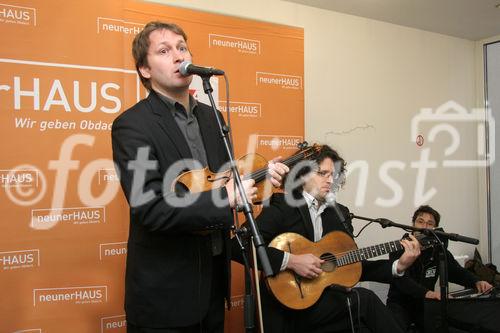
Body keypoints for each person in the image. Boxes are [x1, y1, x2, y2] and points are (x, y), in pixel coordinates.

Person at [112, 21, 288, 333]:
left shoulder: (213, 118)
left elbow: (221, 183)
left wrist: (260, 180)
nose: (178, 55)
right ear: (145, 70)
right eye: (164, 51)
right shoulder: (133, 125)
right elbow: (149, 208)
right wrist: (227, 197)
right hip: (164, 299)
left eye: (182, 47)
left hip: (212, 290)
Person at [234, 145, 421, 333]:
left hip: (320, 305)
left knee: (362, 315)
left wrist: (397, 266)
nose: (330, 180)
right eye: (323, 173)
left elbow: (352, 265)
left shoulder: (339, 214)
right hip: (285, 310)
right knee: (365, 300)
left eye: (334, 175)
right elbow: (240, 245)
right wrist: (291, 261)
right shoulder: (282, 206)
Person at [386, 205, 494, 332]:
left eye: (429, 223)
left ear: (435, 228)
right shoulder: (398, 248)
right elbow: (403, 282)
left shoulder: (439, 250)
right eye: (420, 222)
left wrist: (476, 281)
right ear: (412, 224)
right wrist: (428, 293)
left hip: (426, 304)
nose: (424, 227)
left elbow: (456, 272)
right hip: (400, 304)